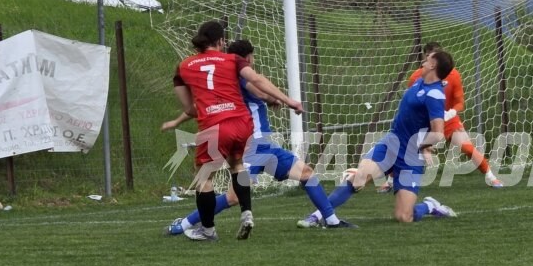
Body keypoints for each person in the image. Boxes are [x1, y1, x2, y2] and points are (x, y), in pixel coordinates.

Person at [163, 39, 353, 234]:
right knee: (233, 197)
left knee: (306, 173)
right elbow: (259, 90)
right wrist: (276, 99)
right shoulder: (239, 77)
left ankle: (332, 220)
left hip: (266, 147)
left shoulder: (225, 82)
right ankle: (184, 224)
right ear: (248, 58)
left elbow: (197, 107)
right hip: (250, 147)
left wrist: (176, 121)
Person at [171, 21, 303, 241]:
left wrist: (202, 109)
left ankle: (208, 230)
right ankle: (246, 212)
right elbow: (256, 79)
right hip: (242, 123)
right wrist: (289, 101)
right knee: (237, 165)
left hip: (214, 124)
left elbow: (189, 107)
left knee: (204, 177)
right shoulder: (233, 59)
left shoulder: (184, 66)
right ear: (221, 41)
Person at [299, 49, 459, 225]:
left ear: (433, 65)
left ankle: (429, 206)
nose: (423, 62)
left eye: (427, 59)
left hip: (411, 156)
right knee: (359, 178)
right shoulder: (420, 81)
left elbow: (438, 133)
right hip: (392, 144)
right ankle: (317, 216)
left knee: (403, 217)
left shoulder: (435, 94)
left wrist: (422, 146)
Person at [380, 42, 502, 191]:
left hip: (448, 120)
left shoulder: (454, 75)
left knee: (467, 148)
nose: (429, 60)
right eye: (428, 56)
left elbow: (459, 102)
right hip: (424, 122)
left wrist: (450, 113)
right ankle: (390, 180)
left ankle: (491, 177)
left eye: (434, 56)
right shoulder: (416, 77)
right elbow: (411, 104)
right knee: (404, 146)